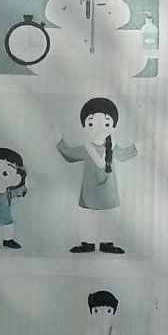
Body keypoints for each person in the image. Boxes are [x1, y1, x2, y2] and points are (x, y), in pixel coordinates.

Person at [58, 97, 137, 253]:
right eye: (91, 124)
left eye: (106, 124)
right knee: (88, 217)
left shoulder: (112, 147)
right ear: (84, 126)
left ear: (113, 126)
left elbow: (123, 155)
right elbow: (70, 155)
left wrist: (140, 147)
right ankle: (88, 243)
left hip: (108, 192)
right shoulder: (86, 148)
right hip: (90, 192)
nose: (99, 129)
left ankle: (106, 243)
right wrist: (58, 141)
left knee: (108, 217)